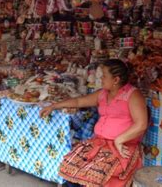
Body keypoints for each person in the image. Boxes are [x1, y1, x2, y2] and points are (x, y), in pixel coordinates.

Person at [40, 59, 148, 187]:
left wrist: (119, 140)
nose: (101, 79)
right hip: (99, 143)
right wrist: (53, 106)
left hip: (122, 146)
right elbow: (78, 102)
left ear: (116, 80)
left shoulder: (133, 95)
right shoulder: (102, 94)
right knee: (70, 165)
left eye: (104, 76)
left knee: (95, 174)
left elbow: (141, 124)